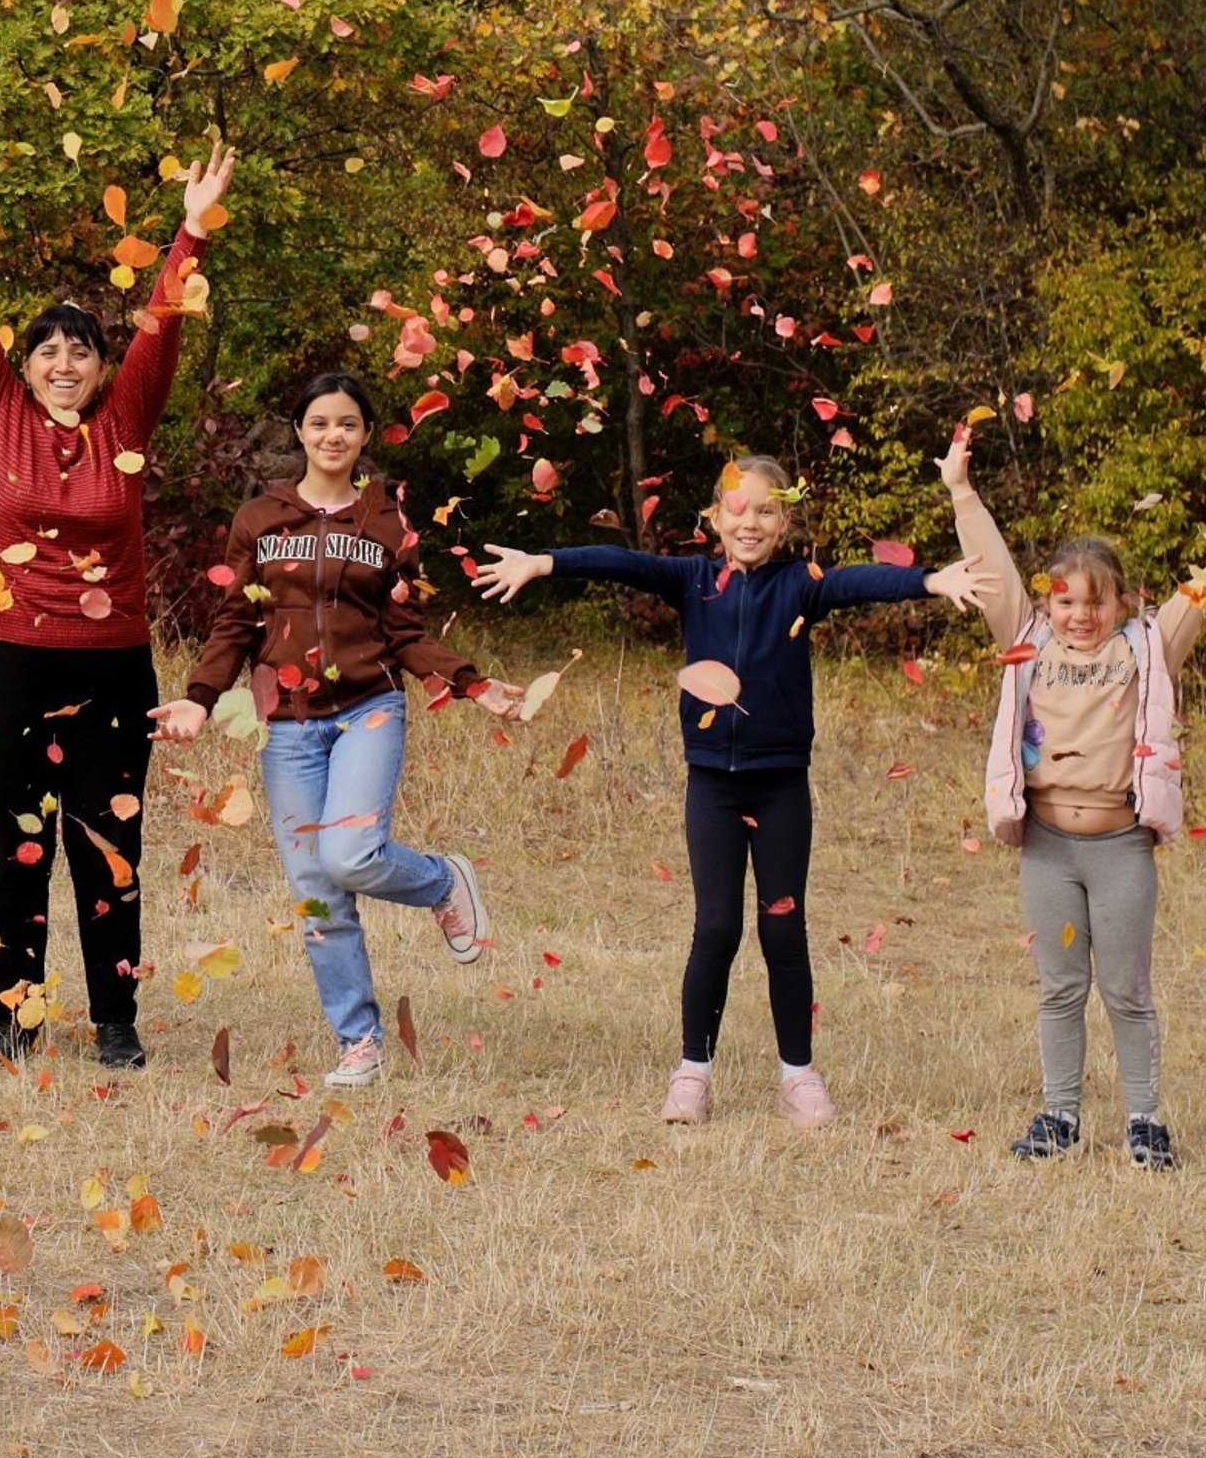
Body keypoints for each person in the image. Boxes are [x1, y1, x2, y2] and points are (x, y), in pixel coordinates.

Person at [475, 457, 990, 1128]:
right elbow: (619, 561)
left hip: (781, 787)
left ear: (786, 523)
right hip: (712, 786)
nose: (751, 522)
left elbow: (861, 582)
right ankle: (692, 1072)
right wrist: (542, 564)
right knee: (716, 927)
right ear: (714, 518)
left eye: (767, 511)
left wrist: (928, 578)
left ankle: (798, 1077)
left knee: (783, 928)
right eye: (737, 510)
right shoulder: (692, 580)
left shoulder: (800, 586)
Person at [0, 108, 235, 1072]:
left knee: (104, 848)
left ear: (99, 368)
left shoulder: (126, 412)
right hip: (4, 664)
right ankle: (15, 1016)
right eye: (45, 347)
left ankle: (116, 1021)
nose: (61, 361)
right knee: (15, 848)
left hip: (113, 672)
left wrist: (194, 227)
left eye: (79, 349)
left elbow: (162, 326)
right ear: (24, 363)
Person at [150, 371, 525, 1089]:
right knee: (317, 889)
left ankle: (442, 880)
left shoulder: (388, 524)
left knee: (352, 855)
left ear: (364, 434)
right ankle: (360, 1042)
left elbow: (405, 631)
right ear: (300, 432)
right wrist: (200, 697)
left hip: (368, 708)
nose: (333, 436)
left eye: (347, 424)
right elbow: (236, 621)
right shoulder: (260, 519)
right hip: (288, 726)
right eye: (320, 423)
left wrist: (470, 684)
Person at [937, 425, 1190, 1170]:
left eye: (1097, 602)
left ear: (1125, 601)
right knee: (1060, 987)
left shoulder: (1146, 647)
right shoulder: (1029, 639)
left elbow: (1195, 593)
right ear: (1047, 605)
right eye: (1066, 602)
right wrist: (959, 489)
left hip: (1120, 850)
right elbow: (990, 563)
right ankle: (1059, 1116)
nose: (1080, 615)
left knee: (1126, 989)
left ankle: (1144, 1120)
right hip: (1049, 848)